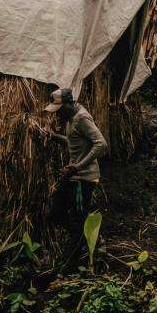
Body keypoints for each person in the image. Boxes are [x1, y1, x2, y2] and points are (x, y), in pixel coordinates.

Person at [46, 87, 108, 270]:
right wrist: (56, 137)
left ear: (67, 104)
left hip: (85, 177)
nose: (57, 115)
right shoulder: (70, 118)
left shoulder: (82, 118)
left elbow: (101, 144)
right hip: (74, 175)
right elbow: (75, 140)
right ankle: (86, 236)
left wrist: (78, 166)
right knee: (55, 213)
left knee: (76, 221)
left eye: (58, 110)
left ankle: (70, 264)